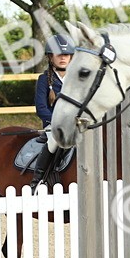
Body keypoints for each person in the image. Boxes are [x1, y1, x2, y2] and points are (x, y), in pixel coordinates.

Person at [29, 34, 75, 188]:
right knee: (53, 142)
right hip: (54, 126)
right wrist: (59, 123)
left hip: (77, 125)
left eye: (66, 54)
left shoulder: (77, 80)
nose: (63, 58)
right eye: (59, 55)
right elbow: (41, 109)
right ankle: (38, 179)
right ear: (50, 57)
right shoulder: (44, 80)